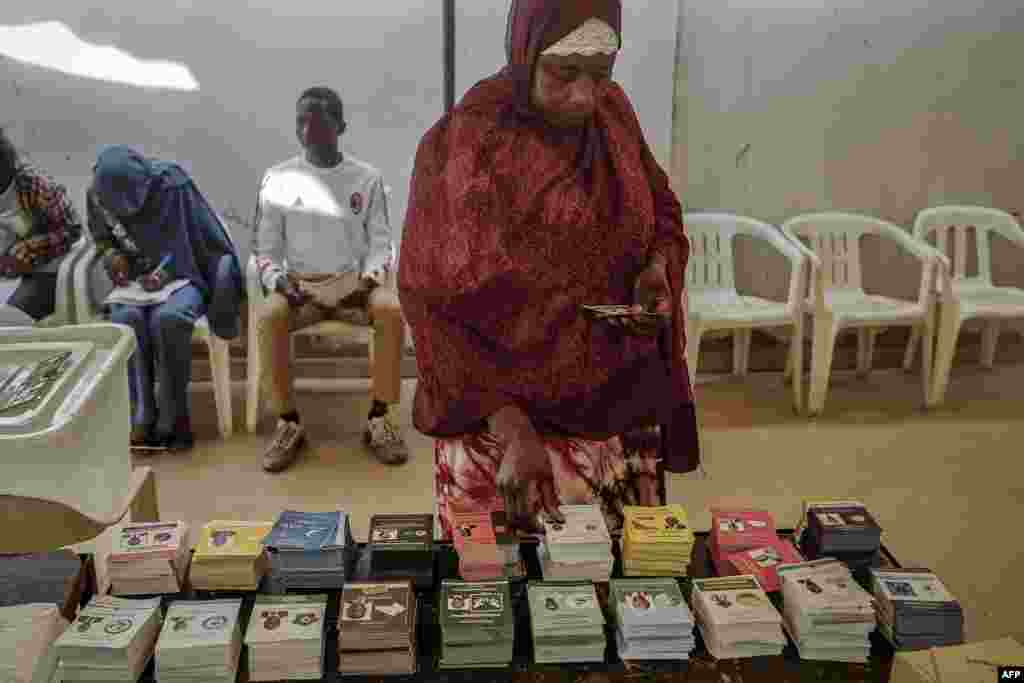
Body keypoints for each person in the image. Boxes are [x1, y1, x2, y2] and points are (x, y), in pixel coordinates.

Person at [399, 0, 701, 538]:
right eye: (564, 72)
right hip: (506, 434)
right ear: (526, 51)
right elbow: (431, 300)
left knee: (626, 591)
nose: (585, 94)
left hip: (615, 414)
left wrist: (655, 266)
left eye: (602, 75)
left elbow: (662, 210)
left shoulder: (612, 117)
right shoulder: (470, 141)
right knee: (506, 598)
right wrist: (511, 427)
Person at [253, 86, 408, 473]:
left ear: (340, 126)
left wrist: (368, 284)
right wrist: (284, 286)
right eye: (301, 122)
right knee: (269, 317)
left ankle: (378, 419)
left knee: (390, 311)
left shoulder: (366, 178)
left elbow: (381, 244)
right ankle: (288, 423)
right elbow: (265, 251)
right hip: (300, 287)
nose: (308, 131)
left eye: (318, 123)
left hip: (352, 286)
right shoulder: (278, 178)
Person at [87, 145, 242, 451]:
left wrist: (165, 274)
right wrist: (112, 256)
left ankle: (174, 418)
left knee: (169, 319)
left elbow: (199, 245)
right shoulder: (97, 195)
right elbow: (102, 239)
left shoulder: (172, 187)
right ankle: (141, 416)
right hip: (133, 284)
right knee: (125, 321)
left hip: (186, 275)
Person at [0, 128, 83, 321]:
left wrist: (27, 249)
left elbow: (72, 230)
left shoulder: (34, 184)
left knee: (10, 319)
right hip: (8, 271)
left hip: (44, 268)